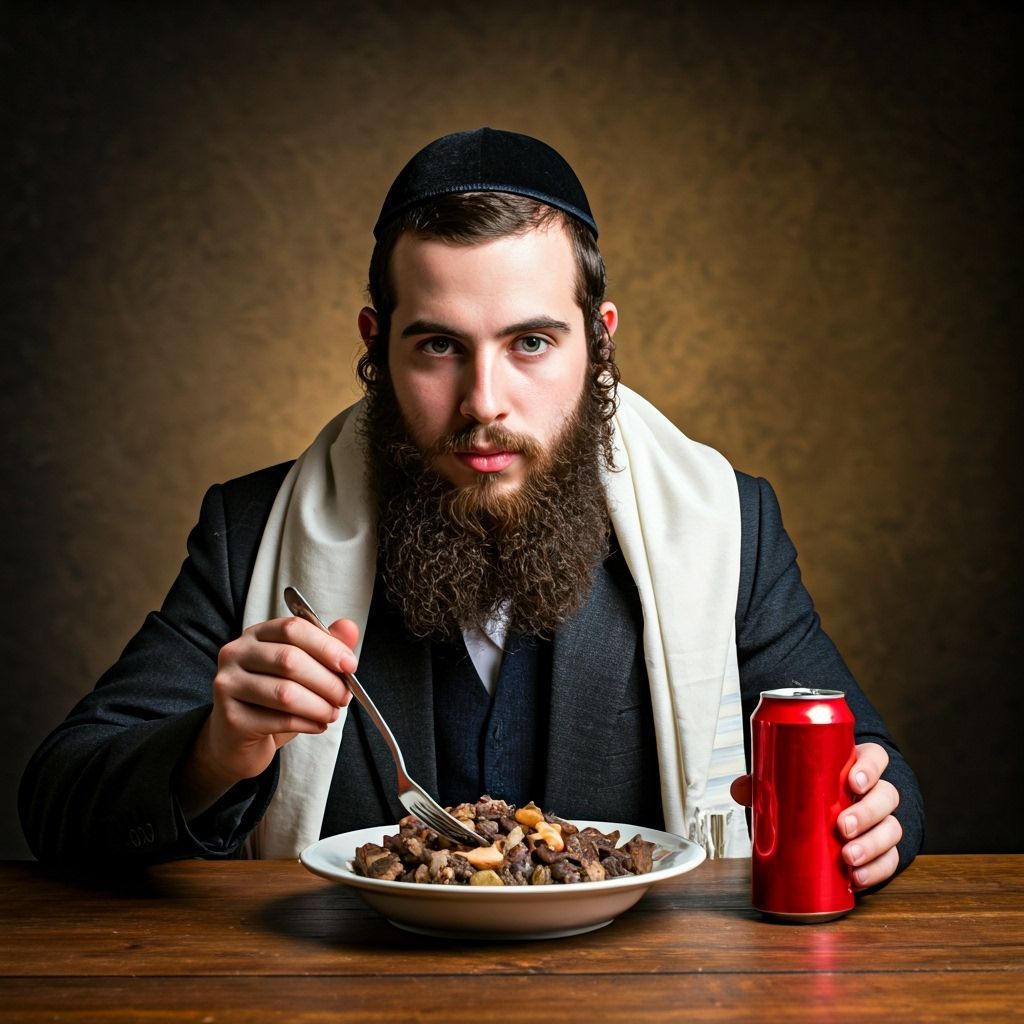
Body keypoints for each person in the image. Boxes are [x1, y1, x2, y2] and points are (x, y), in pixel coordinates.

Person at [20, 128, 923, 891]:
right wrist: (215, 751)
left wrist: (872, 818)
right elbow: (57, 800)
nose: (483, 402)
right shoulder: (252, 532)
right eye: (439, 347)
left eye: (530, 342)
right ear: (377, 345)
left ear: (597, 343)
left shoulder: (725, 526)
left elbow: (880, 777)